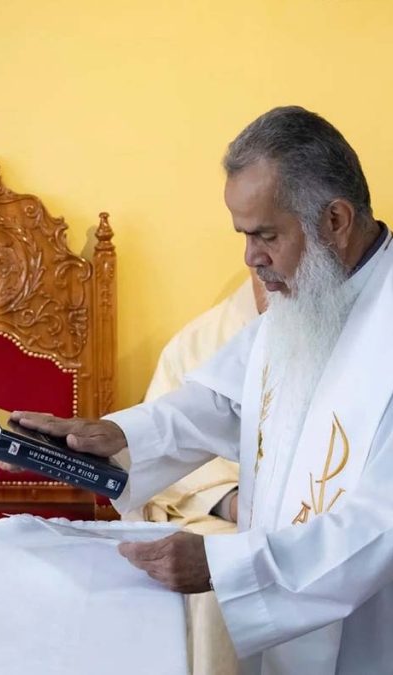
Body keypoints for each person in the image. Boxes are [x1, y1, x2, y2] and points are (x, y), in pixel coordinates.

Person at [14, 106, 393, 673]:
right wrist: (112, 434)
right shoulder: (310, 297)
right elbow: (221, 400)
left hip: (388, 648)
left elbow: (384, 528)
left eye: (266, 235)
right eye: (244, 235)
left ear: (335, 221)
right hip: (295, 640)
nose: (250, 258)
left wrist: (224, 567)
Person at [135, 273, 265, 675]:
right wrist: (230, 501)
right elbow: (172, 440)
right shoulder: (199, 345)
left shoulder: (364, 343)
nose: (256, 257)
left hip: (321, 524)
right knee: (219, 581)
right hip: (219, 514)